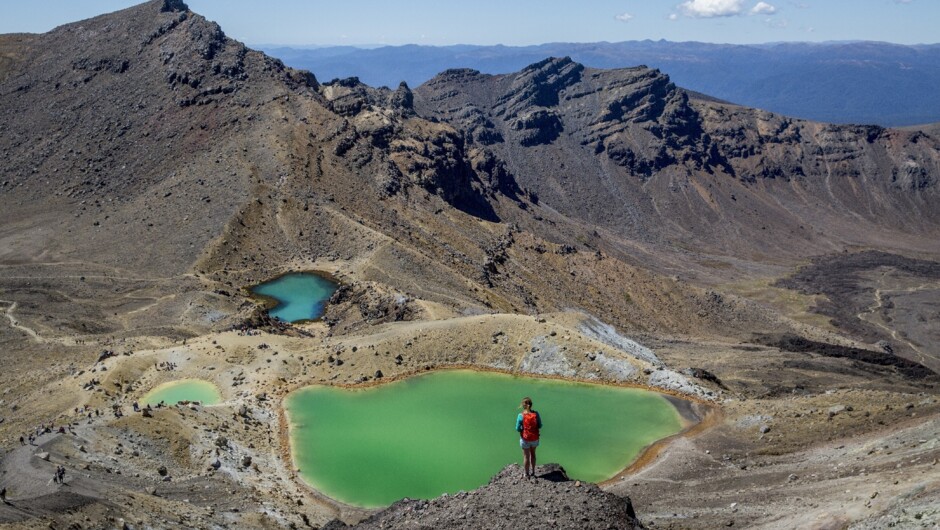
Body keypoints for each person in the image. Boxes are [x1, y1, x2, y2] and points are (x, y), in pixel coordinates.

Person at [515, 397, 542, 479]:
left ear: (523, 405)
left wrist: (523, 429)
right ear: (531, 405)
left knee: (526, 456)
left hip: (525, 439)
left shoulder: (520, 415)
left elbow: (517, 428)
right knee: (533, 454)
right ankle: (533, 472)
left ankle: (526, 474)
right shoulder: (536, 414)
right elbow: (540, 425)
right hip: (535, 438)